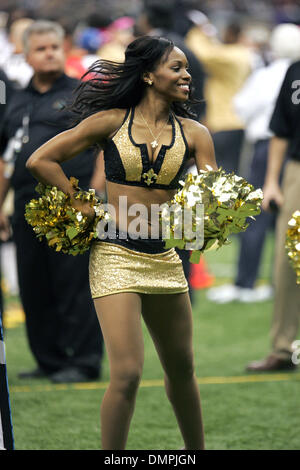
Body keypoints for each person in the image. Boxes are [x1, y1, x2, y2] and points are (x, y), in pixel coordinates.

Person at [26, 35, 217, 450]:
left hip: (165, 256)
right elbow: (40, 160)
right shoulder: (110, 121)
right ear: (148, 75)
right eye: (177, 67)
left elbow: (212, 193)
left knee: (182, 369)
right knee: (127, 373)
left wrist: (208, 213)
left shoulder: (196, 133)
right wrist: (79, 200)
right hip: (114, 253)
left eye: (186, 69)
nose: (187, 75)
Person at [0, 20, 104, 383]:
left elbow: (104, 145)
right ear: (26, 55)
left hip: (71, 203)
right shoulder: (16, 99)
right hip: (26, 206)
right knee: (34, 285)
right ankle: (50, 360)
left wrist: (95, 194)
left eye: (55, 47)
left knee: (74, 285)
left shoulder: (81, 94)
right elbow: (6, 155)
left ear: (64, 50)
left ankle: (85, 361)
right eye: (41, 49)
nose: (49, 53)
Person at [206, 23, 300, 303]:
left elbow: (243, 106)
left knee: (256, 218)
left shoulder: (268, 74)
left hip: (267, 146)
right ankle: (279, 284)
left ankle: (246, 283)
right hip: (294, 152)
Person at [246, 59, 300, 372]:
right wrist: (271, 181)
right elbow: (280, 130)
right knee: (288, 260)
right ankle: (283, 349)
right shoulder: (295, 71)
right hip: (296, 171)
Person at [185, 10, 252, 174]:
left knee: (220, 174)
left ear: (230, 33)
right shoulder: (237, 54)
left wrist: (198, 31)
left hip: (225, 123)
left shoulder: (234, 55)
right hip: (232, 123)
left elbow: (201, 53)